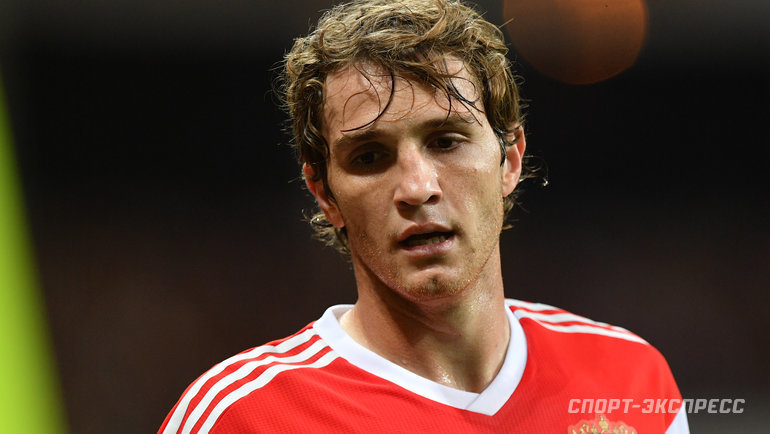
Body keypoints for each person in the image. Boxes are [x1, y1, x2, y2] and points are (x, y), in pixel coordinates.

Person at [159, 0, 689, 432]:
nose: (417, 188)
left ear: (509, 160)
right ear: (324, 193)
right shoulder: (242, 417)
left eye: (446, 141)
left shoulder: (631, 381)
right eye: (370, 157)